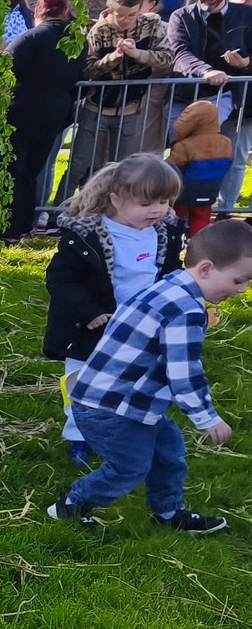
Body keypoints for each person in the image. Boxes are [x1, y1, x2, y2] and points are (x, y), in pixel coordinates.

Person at [47, 218, 251, 533]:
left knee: (169, 453)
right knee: (129, 468)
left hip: (129, 400)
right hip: (110, 407)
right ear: (207, 269)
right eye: (239, 281)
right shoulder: (185, 311)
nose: (242, 290)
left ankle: (168, 512)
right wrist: (206, 417)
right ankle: (72, 505)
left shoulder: (169, 286)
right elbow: (184, 374)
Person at [43, 155, 186, 468]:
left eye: (164, 201)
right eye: (147, 203)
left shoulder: (165, 234)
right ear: (116, 200)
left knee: (133, 384)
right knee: (82, 385)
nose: (158, 210)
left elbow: (172, 274)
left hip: (141, 330)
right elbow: (61, 279)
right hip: (92, 329)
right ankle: (79, 437)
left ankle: (120, 435)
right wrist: (89, 311)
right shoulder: (85, 236)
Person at [67, 0, 173, 196]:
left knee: (122, 167)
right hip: (97, 107)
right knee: (79, 164)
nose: (124, 20)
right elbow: (88, 70)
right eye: (119, 15)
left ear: (141, 9)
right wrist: (113, 58)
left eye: (131, 15)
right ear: (110, 9)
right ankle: (57, 211)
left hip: (131, 108)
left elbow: (168, 57)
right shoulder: (99, 30)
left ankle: (112, 210)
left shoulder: (152, 25)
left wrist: (138, 55)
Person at [166, 0, 252, 208]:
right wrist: (205, 71)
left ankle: (221, 210)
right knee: (182, 152)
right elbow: (179, 52)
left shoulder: (247, 16)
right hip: (186, 95)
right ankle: (175, 208)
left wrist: (246, 63)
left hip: (230, 97)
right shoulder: (181, 16)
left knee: (226, 156)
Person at [2, 0, 84, 243]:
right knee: (32, 170)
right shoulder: (77, 41)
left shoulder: (32, 37)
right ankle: (25, 226)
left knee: (13, 170)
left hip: (21, 109)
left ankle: (10, 229)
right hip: (56, 112)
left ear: (38, 11)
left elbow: (5, 69)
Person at [167, 99, 236, 228]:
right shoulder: (226, 142)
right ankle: (198, 243)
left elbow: (171, 168)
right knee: (202, 219)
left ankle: (175, 242)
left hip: (183, 192)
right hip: (210, 190)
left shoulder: (184, 146)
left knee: (176, 219)